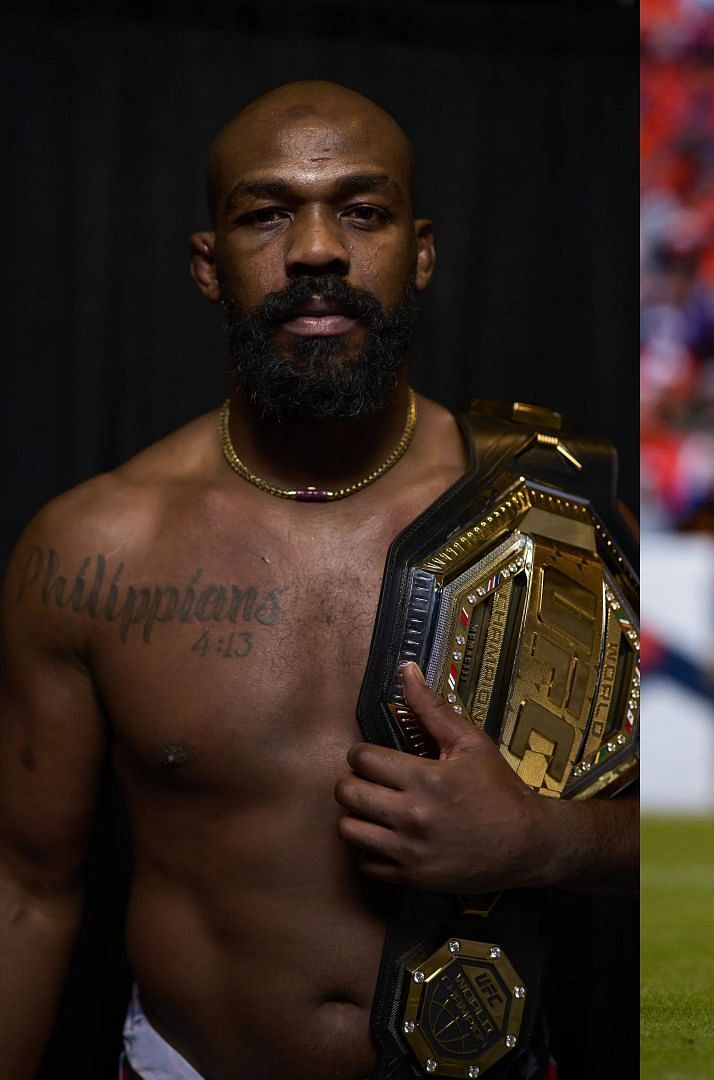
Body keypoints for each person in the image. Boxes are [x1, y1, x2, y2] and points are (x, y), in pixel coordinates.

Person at [0, 81, 635, 1080]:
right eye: (266, 214)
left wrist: (542, 840)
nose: (316, 251)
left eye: (362, 212)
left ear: (419, 251)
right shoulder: (93, 550)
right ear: (209, 265)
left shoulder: (551, 513)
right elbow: (26, 892)